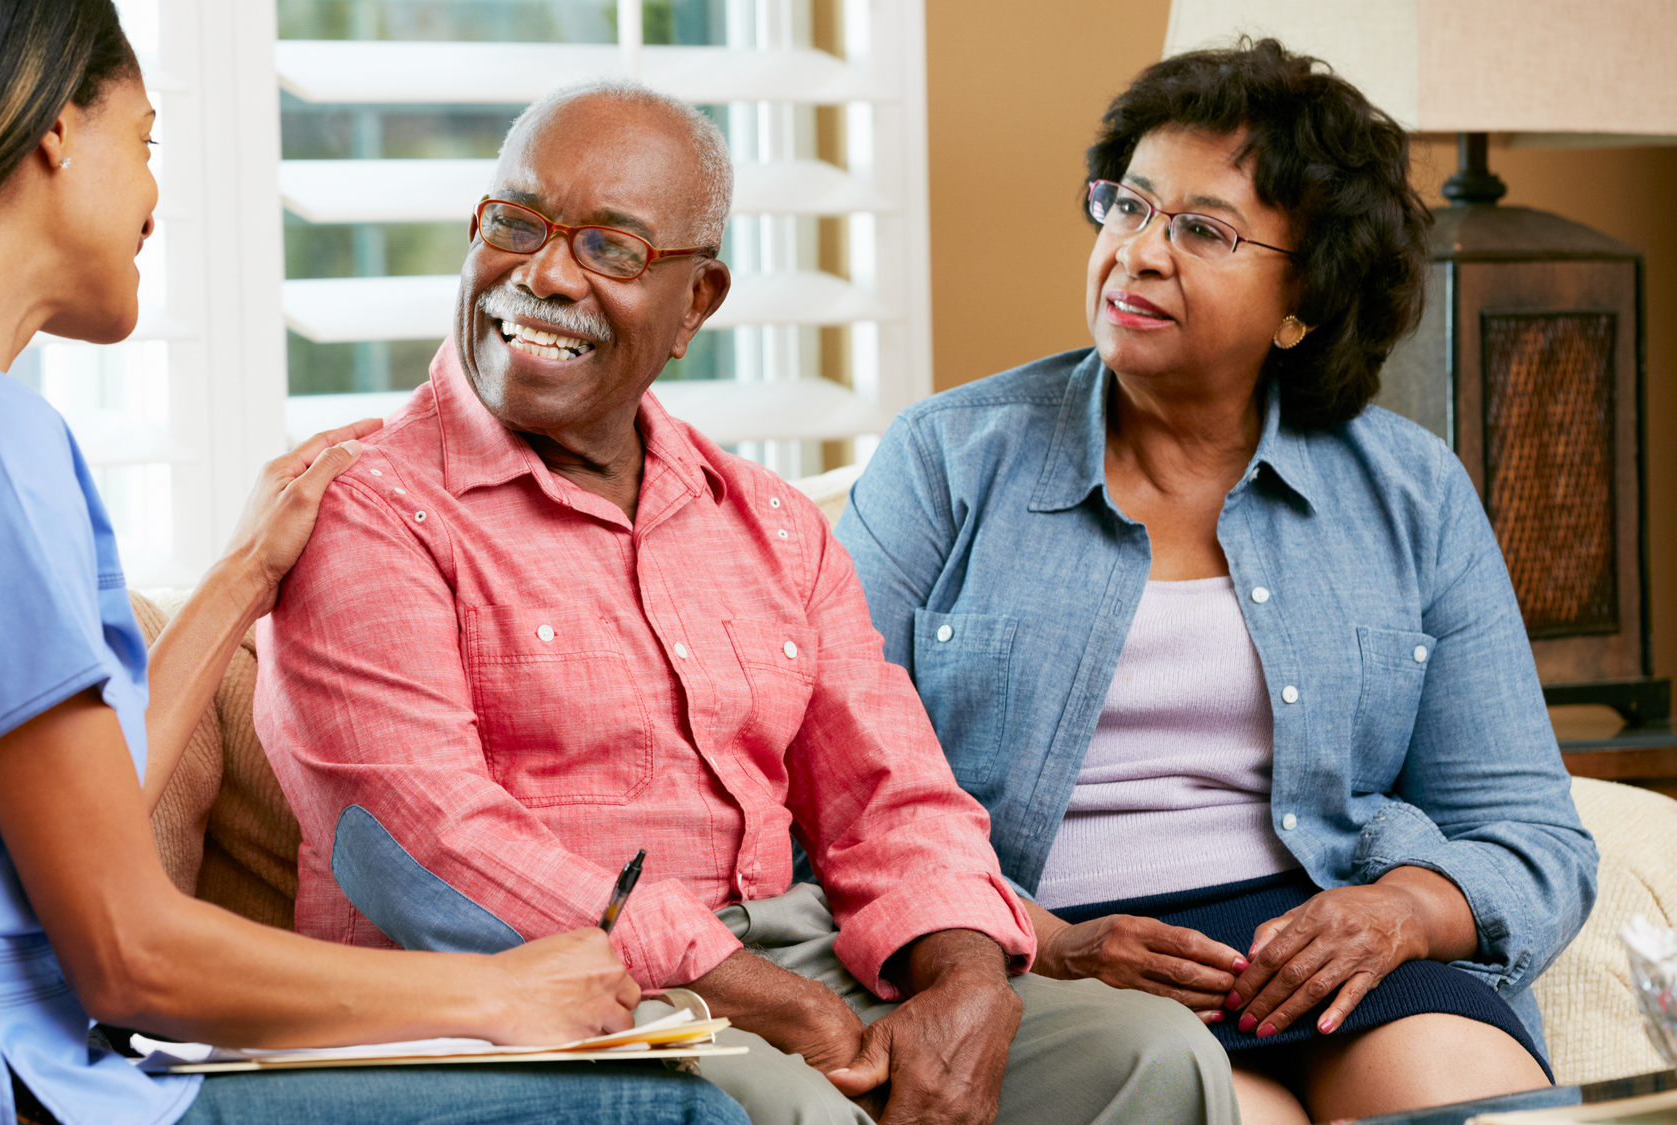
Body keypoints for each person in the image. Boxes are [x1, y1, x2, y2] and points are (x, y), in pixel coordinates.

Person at [0, 4, 749, 1125]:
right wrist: (494, 991)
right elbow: (127, 953)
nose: (151, 200)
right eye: (143, 143)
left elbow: (73, 822)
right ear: (53, 132)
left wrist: (242, 572)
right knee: (666, 1111)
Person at [254, 77, 1237, 1125]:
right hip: (544, 997)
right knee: (792, 1110)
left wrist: (963, 981)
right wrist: (777, 1005)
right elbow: (423, 849)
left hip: (798, 957)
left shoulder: (766, 521)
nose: (541, 273)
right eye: (516, 223)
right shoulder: (367, 509)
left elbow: (889, 794)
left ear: (696, 303)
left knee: (1152, 1057)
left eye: (610, 249)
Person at [834, 38, 1598, 1125]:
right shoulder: (948, 459)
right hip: (1053, 950)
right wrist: (1036, 941)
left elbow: (1526, 828)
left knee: (1480, 1110)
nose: (1137, 254)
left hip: (1326, 946)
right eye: (1127, 207)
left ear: (1304, 302)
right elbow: (829, 789)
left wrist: (1399, 913)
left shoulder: (1409, 492)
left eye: (1201, 230)